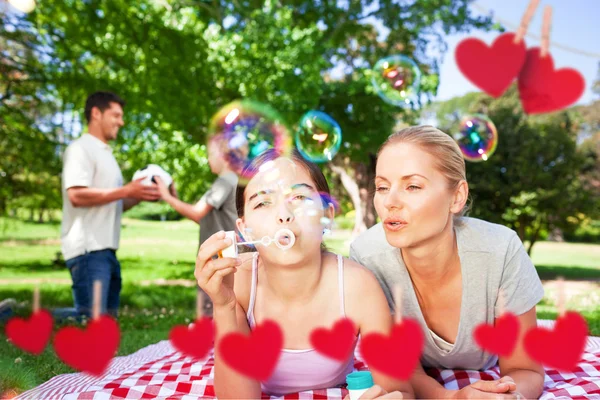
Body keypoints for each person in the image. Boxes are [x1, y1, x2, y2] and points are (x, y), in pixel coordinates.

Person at [194, 149, 413, 399]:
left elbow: (400, 390)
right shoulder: (238, 281)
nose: (284, 215)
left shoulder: (357, 286)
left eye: (299, 197)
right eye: (263, 202)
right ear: (245, 231)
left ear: (327, 217)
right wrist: (224, 306)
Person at [349, 126, 545, 399]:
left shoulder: (501, 250)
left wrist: (509, 396)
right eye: (382, 187)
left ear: (457, 196)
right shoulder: (367, 257)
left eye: (412, 186)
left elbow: (526, 369)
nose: (389, 201)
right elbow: (403, 372)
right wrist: (452, 397)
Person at [58, 91, 161, 319]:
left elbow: (114, 204)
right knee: (90, 318)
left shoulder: (107, 155)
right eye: (116, 115)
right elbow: (76, 195)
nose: (121, 122)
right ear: (96, 113)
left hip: (106, 248)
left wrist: (139, 195)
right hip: (88, 249)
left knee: (106, 320)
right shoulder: (80, 149)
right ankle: (17, 316)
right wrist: (126, 190)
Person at [155, 137, 238, 315]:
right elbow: (202, 218)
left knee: (212, 310)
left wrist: (166, 196)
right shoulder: (233, 180)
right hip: (226, 256)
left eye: (210, 154)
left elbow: (197, 212)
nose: (208, 160)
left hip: (219, 257)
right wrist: (175, 199)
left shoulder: (225, 181)